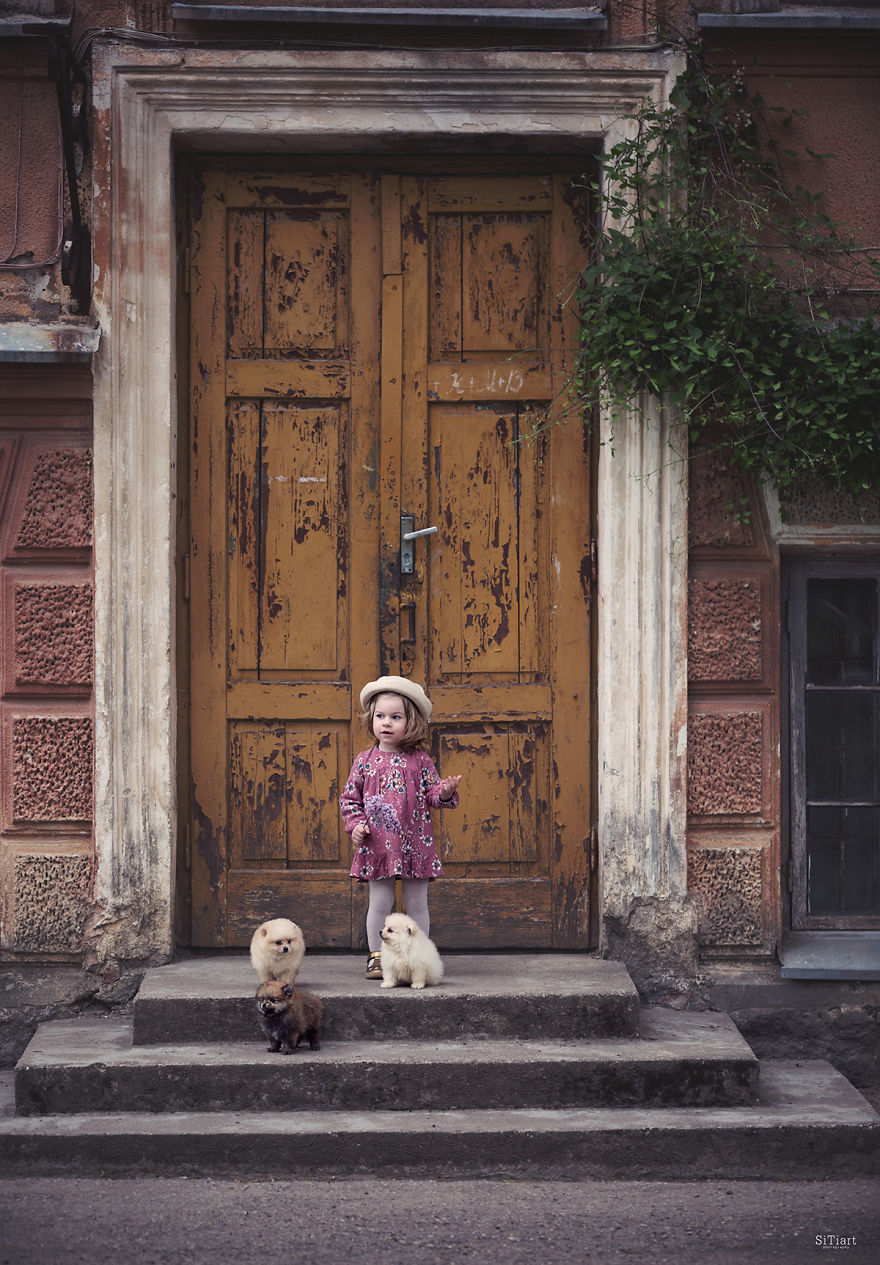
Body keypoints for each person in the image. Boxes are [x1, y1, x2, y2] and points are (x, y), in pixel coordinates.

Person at [340, 675, 461, 979]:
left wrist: (444, 792)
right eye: (380, 716)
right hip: (377, 845)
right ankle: (377, 958)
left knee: (417, 904)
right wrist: (356, 826)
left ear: (412, 722)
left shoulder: (419, 760)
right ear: (371, 719)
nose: (387, 723)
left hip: (414, 845)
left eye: (396, 717)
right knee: (380, 903)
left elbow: (434, 795)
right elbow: (349, 799)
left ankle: (419, 958)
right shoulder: (365, 761)